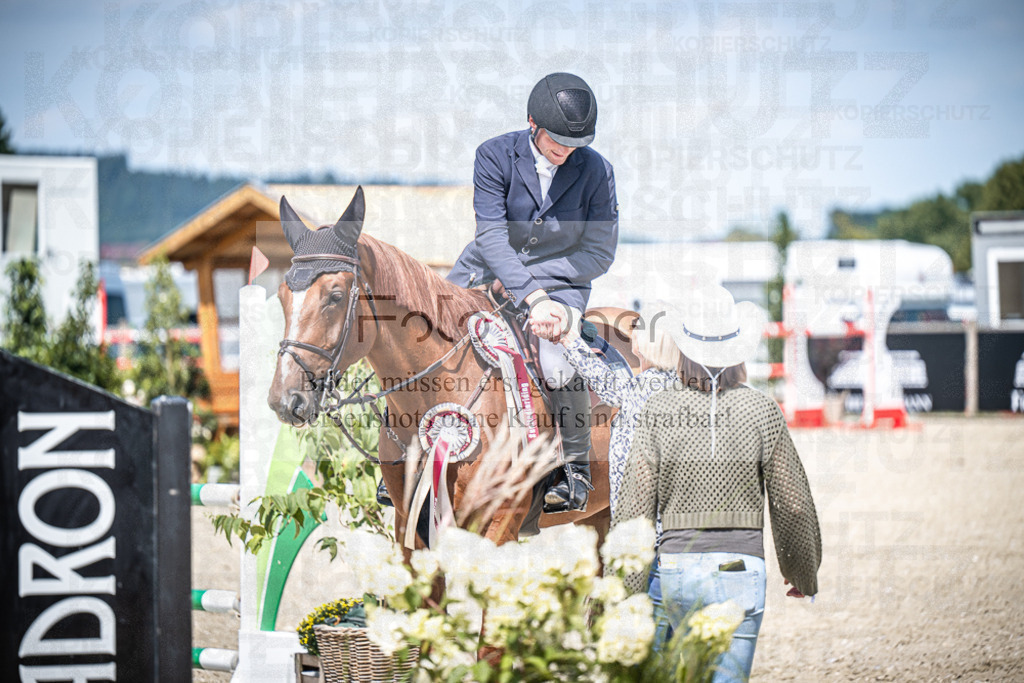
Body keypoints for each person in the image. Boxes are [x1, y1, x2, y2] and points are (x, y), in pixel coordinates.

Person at [613, 285, 822, 683]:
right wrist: (802, 572)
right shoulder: (761, 408)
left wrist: (624, 588)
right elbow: (792, 503)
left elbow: (634, 507)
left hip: (675, 568)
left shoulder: (658, 409)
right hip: (741, 569)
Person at [446, 72, 619, 513]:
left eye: (574, 145)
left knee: (558, 357)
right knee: (428, 337)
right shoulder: (493, 155)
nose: (565, 153)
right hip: (483, 270)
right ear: (531, 123)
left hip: (563, 284)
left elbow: (598, 253)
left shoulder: (597, 170)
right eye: (557, 142)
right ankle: (407, 455)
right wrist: (525, 287)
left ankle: (576, 469)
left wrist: (535, 291)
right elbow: (491, 237)